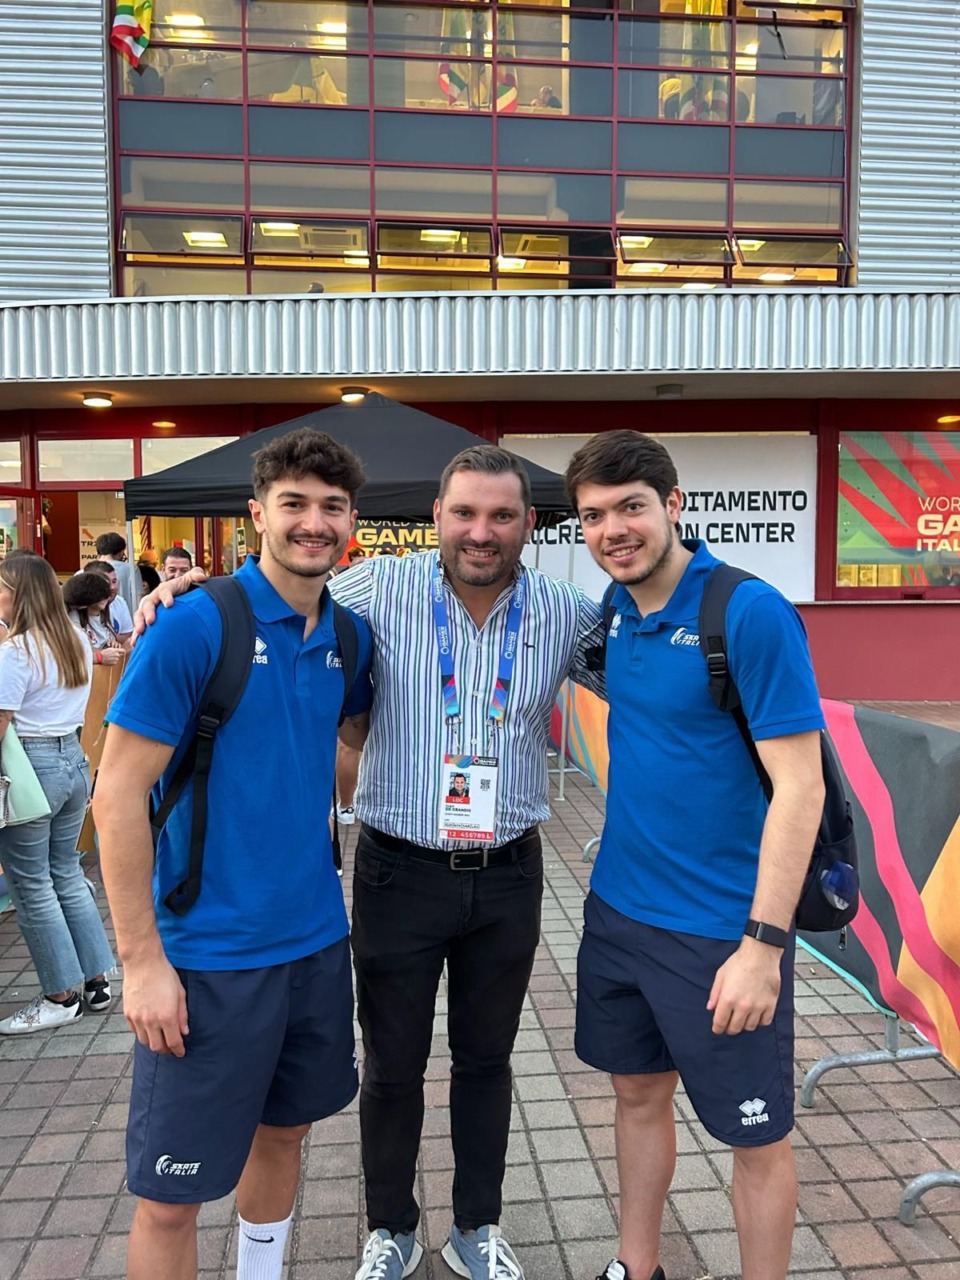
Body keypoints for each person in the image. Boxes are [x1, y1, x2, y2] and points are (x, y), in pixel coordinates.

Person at [136, 444, 607, 1280]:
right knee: (392, 1063)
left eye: (502, 516)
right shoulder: (371, 594)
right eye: (464, 512)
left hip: (509, 873)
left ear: (529, 524)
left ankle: (476, 1227)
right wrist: (176, 593)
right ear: (436, 518)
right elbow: (278, 590)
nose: (481, 532)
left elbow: (649, 645)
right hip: (398, 871)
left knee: (488, 1060)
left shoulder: (568, 612)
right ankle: (389, 1227)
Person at [92, 428, 374, 1280]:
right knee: (172, 1193)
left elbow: (346, 742)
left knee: (285, 1131)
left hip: (317, 944)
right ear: (258, 515)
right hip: (208, 958)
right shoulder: (194, 628)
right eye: (294, 504)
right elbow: (115, 798)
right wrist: (141, 963)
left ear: (352, 520)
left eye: (330, 507)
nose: (312, 522)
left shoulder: (350, 639)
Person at [563, 430, 826, 1280]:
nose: (614, 529)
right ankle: (636, 1267)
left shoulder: (746, 613)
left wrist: (763, 946)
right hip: (618, 914)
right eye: (594, 516)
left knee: (757, 1136)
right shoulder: (616, 613)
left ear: (674, 506)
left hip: (721, 932)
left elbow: (802, 788)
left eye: (631, 507)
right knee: (637, 1095)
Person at [0, 555, 115, 1035]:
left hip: (29, 765)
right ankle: (95, 981)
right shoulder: (72, 638)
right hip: (71, 759)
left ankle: (58, 995)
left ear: (19, 593)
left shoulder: (17, 650)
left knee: (32, 885)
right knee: (64, 872)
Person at [62, 574, 126, 668]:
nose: (105, 598)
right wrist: (99, 656)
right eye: (100, 595)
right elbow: (73, 653)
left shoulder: (107, 614)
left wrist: (112, 645)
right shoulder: (73, 617)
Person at [82, 559, 135, 641]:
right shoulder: (77, 612)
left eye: (114, 581)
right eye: (106, 583)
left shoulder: (119, 601)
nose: (112, 587)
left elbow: (128, 637)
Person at [95, 531, 142, 616]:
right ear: (121, 552)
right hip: (127, 621)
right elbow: (139, 599)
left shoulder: (82, 572)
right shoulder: (131, 569)